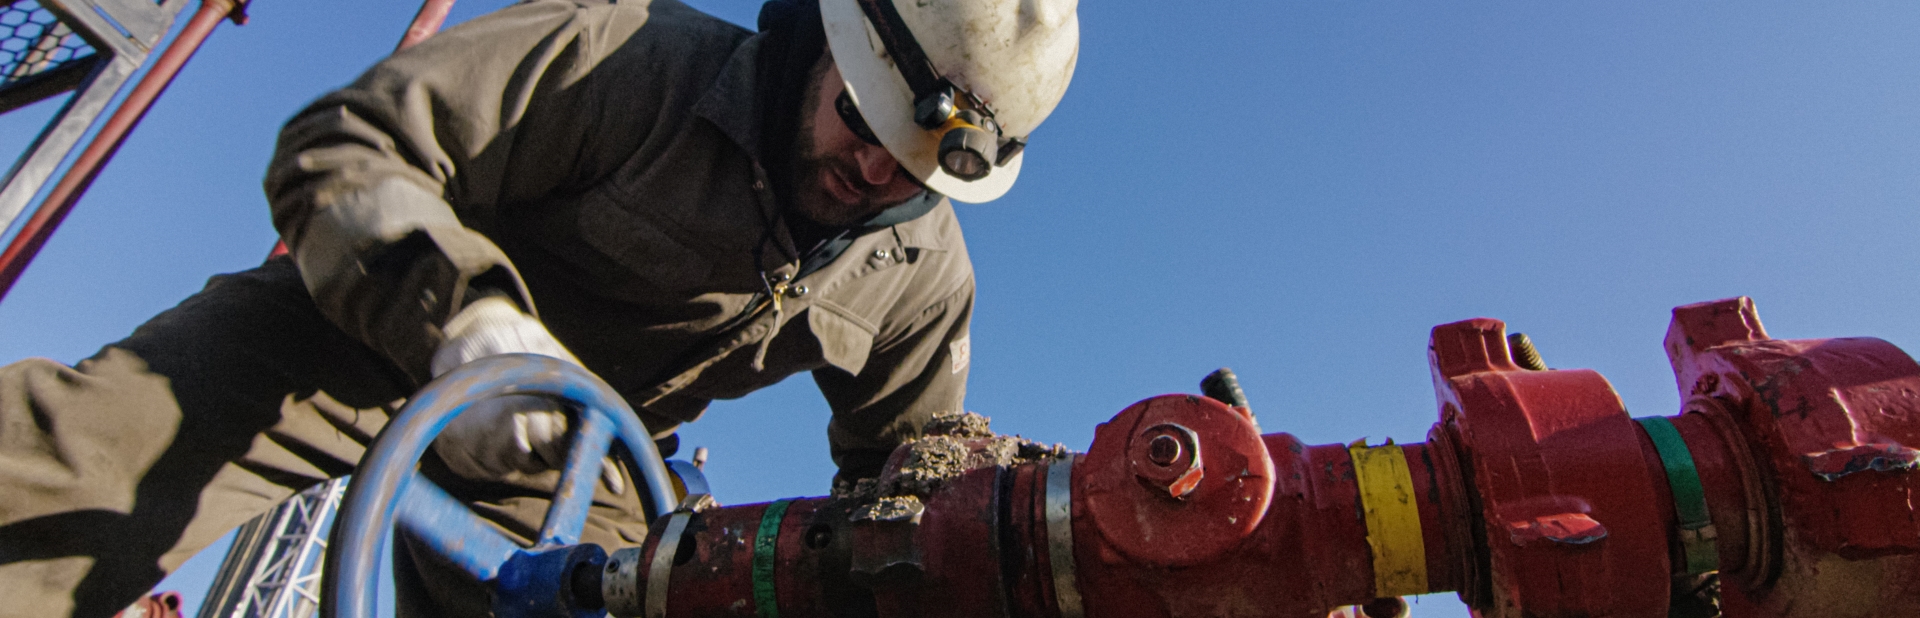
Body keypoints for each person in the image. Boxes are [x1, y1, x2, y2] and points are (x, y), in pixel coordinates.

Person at [0, 0, 1080, 615]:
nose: (873, 173)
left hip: (575, 464)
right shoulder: (627, 58)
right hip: (349, 339)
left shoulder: (919, 280)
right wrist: (461, 321)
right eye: (863, 122)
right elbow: (347, 144)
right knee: (68, 479)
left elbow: (906, 489)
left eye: (916, 171)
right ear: (829, 43)